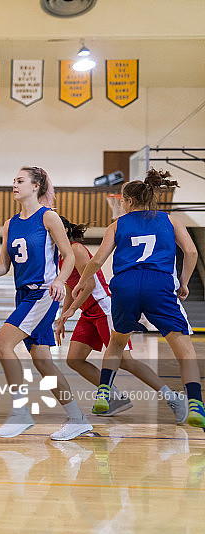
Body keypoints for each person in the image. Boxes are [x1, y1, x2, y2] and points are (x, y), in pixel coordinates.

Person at [0, 166, 93, 440]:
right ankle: (77, 419)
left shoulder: (48, 217)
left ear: (36, 186)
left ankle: (20, 412)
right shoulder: (10, 224)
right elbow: (3, 265)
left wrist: (60, 280)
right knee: (43, 362)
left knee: (2, 344)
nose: (14, 184)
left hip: (44, 294)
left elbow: (68, 256)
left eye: (20, 180)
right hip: (23, 294)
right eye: (13, 180)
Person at [73, 169, 204, 428]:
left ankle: (104, 392)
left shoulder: (117, 224)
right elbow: (190, 252)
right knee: (185, 351)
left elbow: (98, 260)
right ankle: (196, 405)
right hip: (159, 284)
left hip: (125, 285)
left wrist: (81, 281)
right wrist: (185, 283)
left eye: (121, 200)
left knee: (117, 343)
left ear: (129, 201)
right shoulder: (170, 220)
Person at [54, 216, 187, 422]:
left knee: (125, 361)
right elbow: (71, 287)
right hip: (88, 312)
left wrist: (71, 309)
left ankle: (173, 398)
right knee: (74, 359)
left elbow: (87, 285)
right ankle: (115, 396)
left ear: (62, 230)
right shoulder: (59, 256)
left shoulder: (76, 249)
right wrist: (63, 316)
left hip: (104, 306)